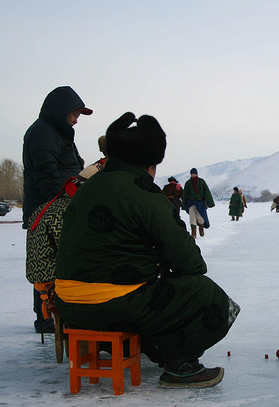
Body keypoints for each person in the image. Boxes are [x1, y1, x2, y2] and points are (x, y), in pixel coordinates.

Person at [54, 112, 239, 388]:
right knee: (204, 293)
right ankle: (180, 365)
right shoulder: (145, 192)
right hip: (113, 304)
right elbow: (189, 262)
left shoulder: (87, 187)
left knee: (152, 289)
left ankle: (146, 348)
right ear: (150, 164)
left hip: (68, 304)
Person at [22, 85, 92, 334]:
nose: (76, 120)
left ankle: (52, 316)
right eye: (75, 114)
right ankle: (45, 318)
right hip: (47, 212)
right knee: (46, 264)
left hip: (56, 209)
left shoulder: (56, 132)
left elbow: (64, 169)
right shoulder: (43, 133)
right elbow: (47, 174)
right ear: (62, 111)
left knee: (50, 263)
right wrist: (62, 207)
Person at [182, 168, 215, 238]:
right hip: (191, 202)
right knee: (192, 218)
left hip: (200, 202)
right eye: (192, 174)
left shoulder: (201, 182)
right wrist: (184, 205)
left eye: (194, 174)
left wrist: (210, 202)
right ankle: (193, 233)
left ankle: (201, 228)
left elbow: (207, 192)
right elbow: (184, 194)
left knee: (201, 218)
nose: (193, 175)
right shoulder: (188, 183)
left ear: (197, 174)